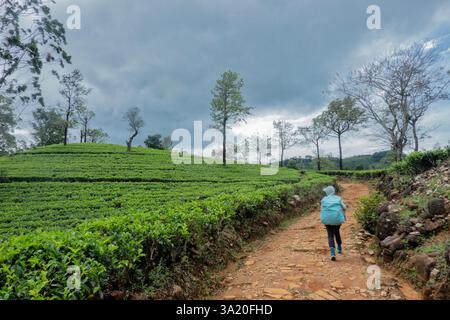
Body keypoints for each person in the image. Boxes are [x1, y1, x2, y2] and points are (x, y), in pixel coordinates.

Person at [320, 186, 347, 261]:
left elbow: (321, 208)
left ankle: (332, 253)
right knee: (337, 232)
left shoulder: (324, 199)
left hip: (327, 219)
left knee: (330, 235)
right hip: (337, 219)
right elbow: (344, 207)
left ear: (327, 192)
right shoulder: (338, 198)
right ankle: (339, 247)